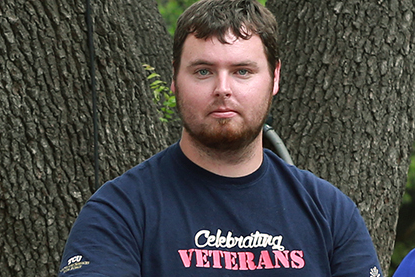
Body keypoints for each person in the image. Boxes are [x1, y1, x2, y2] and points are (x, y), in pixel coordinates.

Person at [59, 0, 383, 275]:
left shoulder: (331, 212)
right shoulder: (119, 211)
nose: (223, 89)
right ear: (175, 78)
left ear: (275, 78)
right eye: (203, 71)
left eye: (242, 71)